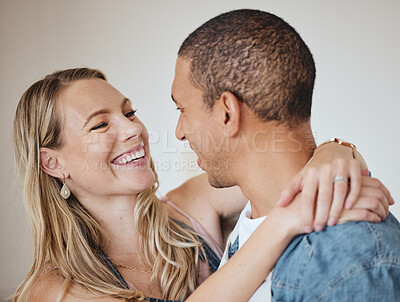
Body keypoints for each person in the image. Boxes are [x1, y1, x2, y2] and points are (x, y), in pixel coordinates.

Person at [11, 68, 391, 302]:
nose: (133, 130)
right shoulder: (54, 290)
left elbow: (279, 167)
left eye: (129, 113)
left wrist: (335, 153)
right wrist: (283, 222)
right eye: (100, 124)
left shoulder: (188, 208)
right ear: (53, 162)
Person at [171, 8, 400, 301]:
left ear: (227, 113)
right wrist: (339, 147)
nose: (179, 132)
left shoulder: (350, 258)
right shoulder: (254, 218)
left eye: (182, 109)